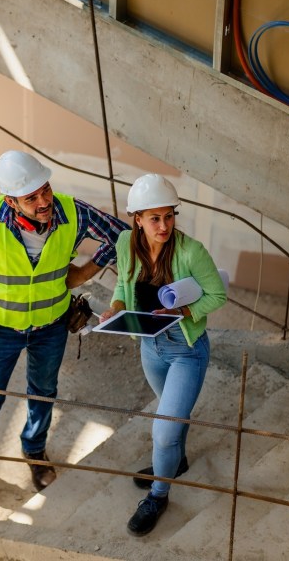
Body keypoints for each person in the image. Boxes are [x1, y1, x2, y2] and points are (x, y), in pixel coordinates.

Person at [0, 150, 128, 515]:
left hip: (51, 327)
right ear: (11, 200)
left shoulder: (73, 213)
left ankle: (34, 452)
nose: (43, 201)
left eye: (45, 190)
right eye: (31, 197)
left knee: (43, 393)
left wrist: (83, 273)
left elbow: (122, 237)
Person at [99, 173, 226, 536]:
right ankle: (177, 461)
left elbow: (218, 295)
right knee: (173, 421)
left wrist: (182, 312)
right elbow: (123, 284)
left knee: (165, 430)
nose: (164, 225)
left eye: (169, 216)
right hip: (149, 348)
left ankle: (158, 495)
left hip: (186, 351)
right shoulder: (126, 243)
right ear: (137, 219)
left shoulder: (191, 251)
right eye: (154, 218)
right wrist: (116, 307)